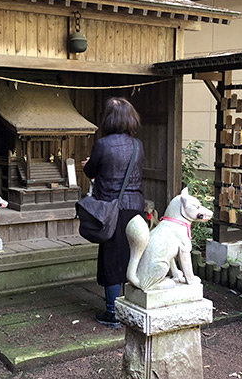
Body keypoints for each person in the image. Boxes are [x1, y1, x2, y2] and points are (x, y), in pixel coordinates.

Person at [82, 97, 144, 328]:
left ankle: (113, 312)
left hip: (111, 208)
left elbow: (91, 171)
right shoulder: (138, 145)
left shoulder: (102, 145)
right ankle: (131, 304)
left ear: (108, 119)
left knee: (111, 257)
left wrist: (90, 163)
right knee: (132, 255)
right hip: (135, 206)